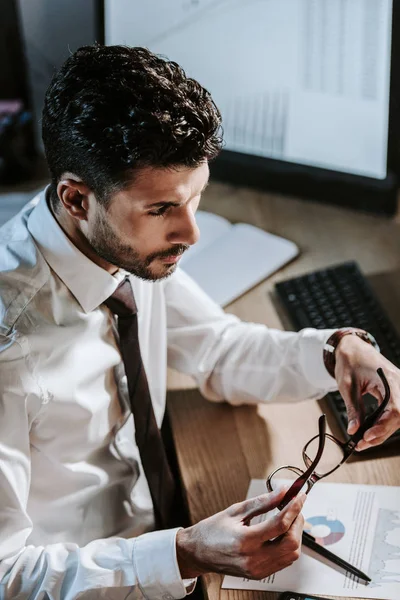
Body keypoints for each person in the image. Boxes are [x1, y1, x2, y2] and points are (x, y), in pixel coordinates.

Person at [0, 44, 398, 600]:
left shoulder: (123, 250)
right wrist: (183, 553)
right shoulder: (9, 348)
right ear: (76, 199)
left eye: (196, 198)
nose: (192, 233)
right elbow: (6, 575)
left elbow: (216, 348)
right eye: (162, 210)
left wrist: (336, 351)